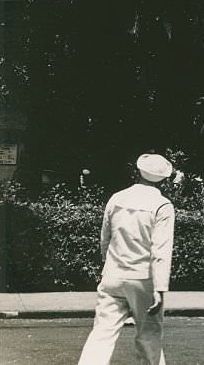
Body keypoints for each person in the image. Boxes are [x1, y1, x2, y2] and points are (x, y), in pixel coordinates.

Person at [78, 153, 175, 365]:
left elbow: (105, 237)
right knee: (148, 336)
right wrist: (159, 287)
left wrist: (108, 264)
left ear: (138, 172)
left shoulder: (117, 197)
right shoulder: (162, 205)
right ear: (165, 179)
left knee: (102, 333)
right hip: (143, 278)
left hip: (113, 274)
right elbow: (161, 249)